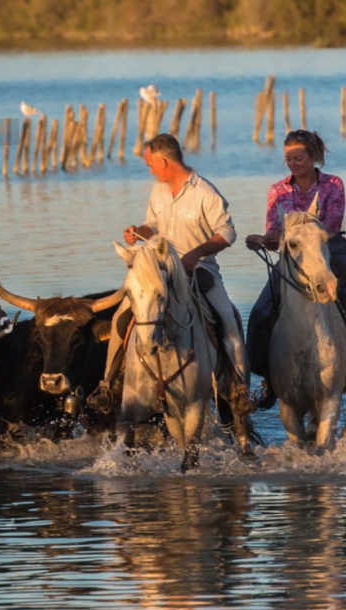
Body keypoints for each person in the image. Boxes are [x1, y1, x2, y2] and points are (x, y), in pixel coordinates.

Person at [87, 133, 251, 414]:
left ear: (164, 161)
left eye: (151, 164)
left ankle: (239, 389)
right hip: (158, 272)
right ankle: (108, 385)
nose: (150, 170)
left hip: (199, 271)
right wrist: (138, 232)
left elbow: (227, 232)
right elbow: (153, 224)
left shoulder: (206, 193)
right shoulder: (158, 191)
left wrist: (195, 254)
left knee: (227, 318)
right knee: (120, 317)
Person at [245, 130, 346, 409]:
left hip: (330, 250)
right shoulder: (278, 190)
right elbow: (273, 231)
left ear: (314, 158)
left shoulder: (334, 185)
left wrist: (303, 234)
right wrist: (264, 240)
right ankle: (268, 380)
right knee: (259, 314)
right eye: (288, 158)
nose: (292, 163)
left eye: (298, 158)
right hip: (292, 257)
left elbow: (333, 226)